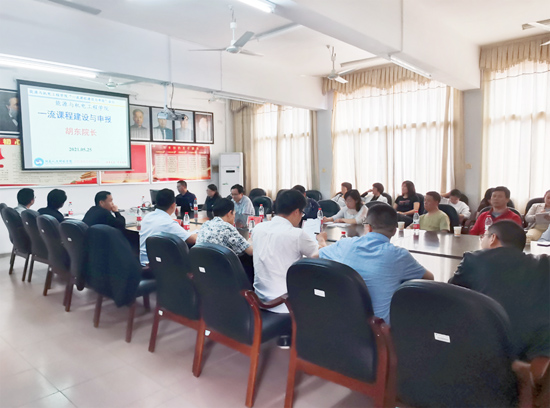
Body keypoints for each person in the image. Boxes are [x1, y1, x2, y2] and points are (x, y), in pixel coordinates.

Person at [449, 221, 549, 362]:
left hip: (488, 345)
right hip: (535, 348)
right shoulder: (544, 263)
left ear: (493, 238)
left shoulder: (475, 259)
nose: (482, 240)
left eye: (484, 236)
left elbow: (451, 292)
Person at [320, 204, 433, 324]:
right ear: (394, 231)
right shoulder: (399, 256)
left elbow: (316, 255)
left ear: (368, 227)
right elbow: (429, 278)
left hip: (344, 322)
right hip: (378, 328)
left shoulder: (345, 244)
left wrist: (321, 240)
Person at [252, 189, 327, 313]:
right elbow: (322, 256)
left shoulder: (258, 228)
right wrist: (322, 240)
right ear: (297, 211)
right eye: (302, 213)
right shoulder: (297, 234)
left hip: (259, 301)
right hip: (285, 303)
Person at [139, 189, 196, 265]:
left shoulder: (147, 217)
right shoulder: (168, 223)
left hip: (144, 262)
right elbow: (192, 240)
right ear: (173, 205)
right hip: (157, 266)